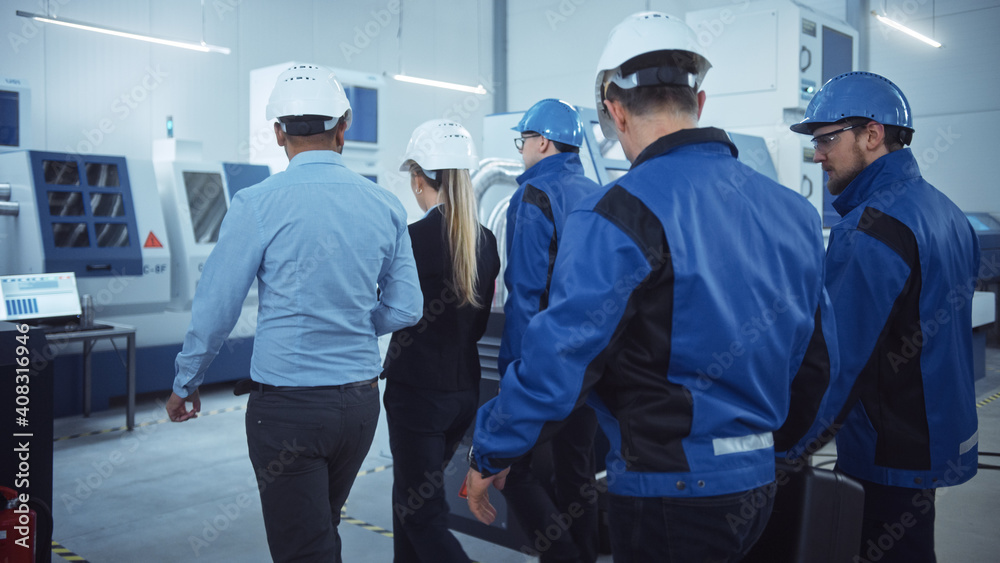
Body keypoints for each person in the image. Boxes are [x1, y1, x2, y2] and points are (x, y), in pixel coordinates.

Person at [465, 12, 837, 562]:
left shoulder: (619, 213)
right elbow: (820, 362)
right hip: (759, 487)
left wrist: (491, 449)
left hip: (668, 493)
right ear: (700, 103)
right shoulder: (794, 213)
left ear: (615, 110)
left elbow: (561, 357)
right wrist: (773, 451)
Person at [166, 64, 423, 563]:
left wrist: (186, 380)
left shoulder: (256, 204)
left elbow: (217, 307)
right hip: (359, 405)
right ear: (343, 126)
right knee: (320, 532)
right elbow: (406, 307)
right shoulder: (385, 204)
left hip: (287, 410)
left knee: (302, 548)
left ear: (278, 131)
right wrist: (355, 322)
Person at [788, 71, 980, 563]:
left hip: (888, 449)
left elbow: (836, 362)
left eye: (827, 138)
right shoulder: (947, 212)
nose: (817, 155)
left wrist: (787, 450)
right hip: (931, 433)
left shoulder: (869, 231)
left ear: (872, 134)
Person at [381, 119, 500, 563]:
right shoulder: (485, 242)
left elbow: (392, 309)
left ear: (418, 180)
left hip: (417, 398)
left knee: (421, 515)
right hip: (462, 395)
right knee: (408, 502)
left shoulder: (412, 240)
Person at [498, 98, 601, 563]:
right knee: (577, 470)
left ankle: (565, 558)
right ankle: (584, 552)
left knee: (513, 472)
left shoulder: (533, 196)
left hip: (544, 361)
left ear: (542, 142)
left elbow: (523, 292)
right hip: (592, 364)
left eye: (523, 140)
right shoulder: (599, 193)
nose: (522, 150)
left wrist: (512, 373)